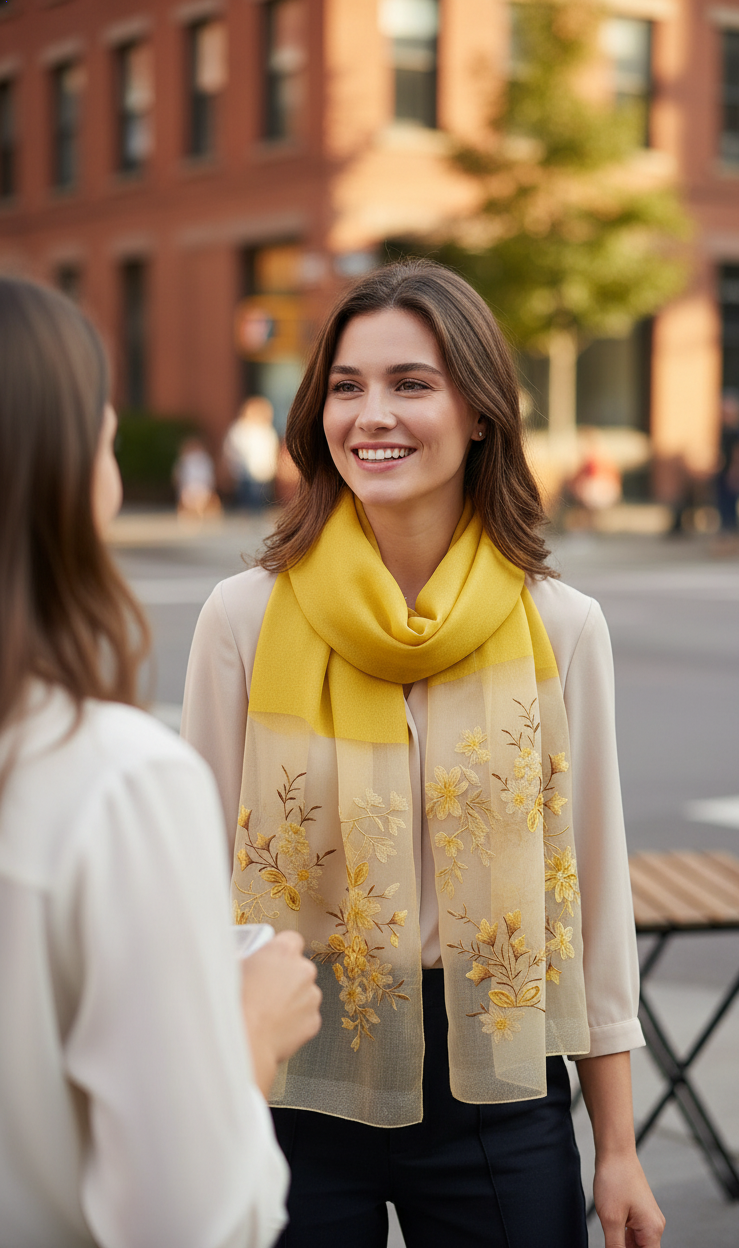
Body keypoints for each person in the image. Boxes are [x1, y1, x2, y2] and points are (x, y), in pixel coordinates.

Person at [182, 260, 665, 1248]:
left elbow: (594, 904)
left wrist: (617, 1148)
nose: (372, 415)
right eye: (347, 387)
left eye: (412, 383)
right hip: (291, 1073)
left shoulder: (561, 626)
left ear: (481, 412)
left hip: (497, 1073)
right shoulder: (243, 617)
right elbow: (192, 891)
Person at [0, 277, 322, 1248]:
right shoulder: (114, 783)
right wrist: (250, 1036)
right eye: (103, 434)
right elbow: (190, 1221)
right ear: (63, 471)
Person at [223, 395, 280, 509]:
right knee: (248, 501)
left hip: (263, 473)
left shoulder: (266, 430)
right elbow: (232, 450)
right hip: (245, 474)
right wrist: (234, 467)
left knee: (262, 500)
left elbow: (272, 450)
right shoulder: (240, 429)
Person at [713, 389, 739, 547]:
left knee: (731, 506)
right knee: (722, 505)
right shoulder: (720, 429)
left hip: (732, 472)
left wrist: (738, 471)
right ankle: (727, 537)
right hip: (721, 471)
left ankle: (734, 538)